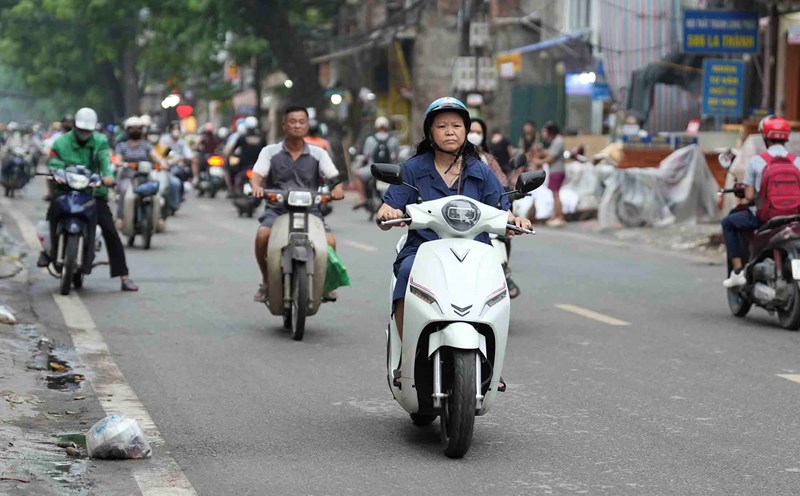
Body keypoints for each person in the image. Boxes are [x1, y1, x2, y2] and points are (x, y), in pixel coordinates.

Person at [376, 97, 531, 383]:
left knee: (496, 288)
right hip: (422, 250)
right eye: (442, 126)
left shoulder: (481, 170)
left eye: (457, 125)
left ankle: (491, 362)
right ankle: (407, 358)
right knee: (407, 276)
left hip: (475, 251)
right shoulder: (412, 169)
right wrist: (388, 211)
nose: (450, 131)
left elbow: (501, 209)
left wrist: (514, 220)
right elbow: (393, 204)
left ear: (466, 130)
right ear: (430, 132)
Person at [250, 106, 345, 303]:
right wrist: (256, 187)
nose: (297, 125)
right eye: (292, 121)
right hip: (277, 209)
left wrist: (337, 189)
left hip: (310, 210)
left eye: (301, 122)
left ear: (307, 125)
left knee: (330, 242)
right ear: (284, 125)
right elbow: (257, 175)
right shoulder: (270, 152)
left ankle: (325, 283)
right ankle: (266, 280)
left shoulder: (318, 153)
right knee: (262, 236)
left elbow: (333, 177)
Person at [38, 107, 138, 291]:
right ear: (75, 126)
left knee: (110, 231)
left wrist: (107, 177)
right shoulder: (61, 142)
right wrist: (56, 173)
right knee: (52, 212)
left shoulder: (99, 141)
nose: (84, 133)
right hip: (66, 190)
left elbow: (104, 163)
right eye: (81, 129)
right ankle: (46, 252)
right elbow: (54, 163)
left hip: (93, 192)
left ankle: (124, 276)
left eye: (88, 130)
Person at [722, 115, 800, 288]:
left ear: (765, 136)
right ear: (786, 137)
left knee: (728, 222)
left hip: (766, 217)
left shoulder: (758, 161)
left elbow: (749, 196)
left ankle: (737, 272)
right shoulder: (797, 162)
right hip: (794, 218)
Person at [469, 117, 522, 299]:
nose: (473, 135)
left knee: (505, 232)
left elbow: (501, 186)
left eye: (478, 132)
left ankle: (503, 272)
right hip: (459, 216)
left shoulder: (487, 160)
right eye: (470, 131)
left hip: (488, 214)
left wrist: (509, 196)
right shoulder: (448, 160)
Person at [113, 116, 167, 229]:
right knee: (123, 191)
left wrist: (162, 163)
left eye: (138, 128)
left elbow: (155, 156)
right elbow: (117, 159)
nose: (135, 131)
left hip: (145, 176)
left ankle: (158, 218)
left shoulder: (147, 145)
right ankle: (121, 218)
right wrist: (120, 163)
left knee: (157, 192)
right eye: (132, 128)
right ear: (127, 130)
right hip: (128, 176)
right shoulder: (122, 146)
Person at [353, 116, 399, 209]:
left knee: (357, 174)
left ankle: (362, 198)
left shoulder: (370, 139)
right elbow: (396, 157)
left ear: (376, 127)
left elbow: (366, 156)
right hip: (389, 170)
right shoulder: (393, 140)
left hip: (373, 168)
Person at [530, 121, 566, 227]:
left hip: (557, 171)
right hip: (555, 171)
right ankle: (556, 215)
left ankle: (559, 217)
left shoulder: (558, 141)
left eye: (545, 131)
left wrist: (538, 161)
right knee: (554, 194)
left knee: (556, 194)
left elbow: (551, 157)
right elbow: (549, 152)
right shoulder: (555, 141)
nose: (544, 134)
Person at [226, 116, 266, 194]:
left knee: (231, 170)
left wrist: (228, 155)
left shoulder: (242, 137)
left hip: (244, 164)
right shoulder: (261, 138)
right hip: (257, 163)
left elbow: (232, 149)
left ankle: (232, 189)